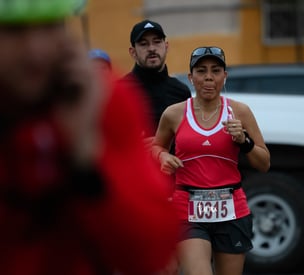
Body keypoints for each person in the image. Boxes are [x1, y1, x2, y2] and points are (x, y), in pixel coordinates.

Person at [0, 1, 178, 275]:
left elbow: (148, 254)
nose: (35, 50)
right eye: (15, 31)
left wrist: (86, 154)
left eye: (49, 28)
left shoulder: (103, 100)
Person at [152, 46, 270, 275]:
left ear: (224, 76)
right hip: (187, 209)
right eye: (201, 71)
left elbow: (264, 163)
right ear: (190, 77)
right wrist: (163, 156)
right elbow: (157, 146)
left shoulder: (240, 112)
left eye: (215, 70)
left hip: (232, 210)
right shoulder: (174, 113)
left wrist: (243, 141)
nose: (208, 77)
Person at [121, 19, 191, 137]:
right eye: (144, 44)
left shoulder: (181, 91)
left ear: (166, 46)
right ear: (133, 52)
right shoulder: (120, 91)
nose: (152, 48)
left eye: (157, 42)